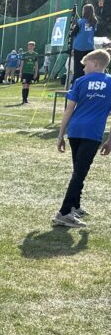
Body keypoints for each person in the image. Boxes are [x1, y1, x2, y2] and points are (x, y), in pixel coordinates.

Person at [52, 49, 111, 228]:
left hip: (75, 131)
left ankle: (75, 206)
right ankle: (64, 213)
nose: (83, 69)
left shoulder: (80, 81)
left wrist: (61, 135)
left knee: (78, 170)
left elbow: (69, 109)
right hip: (92, 133)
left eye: (85, 65)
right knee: (79, 172)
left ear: (95, 63)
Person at [72, 4, 98, 82]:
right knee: (89, 67)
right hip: (90, 48)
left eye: (83, 10)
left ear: (85, 11)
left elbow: (73, 33)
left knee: (78, 69)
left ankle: (77, 84)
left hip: (79, 48)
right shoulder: (94, 21)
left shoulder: (80, 22)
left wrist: (73, 26)